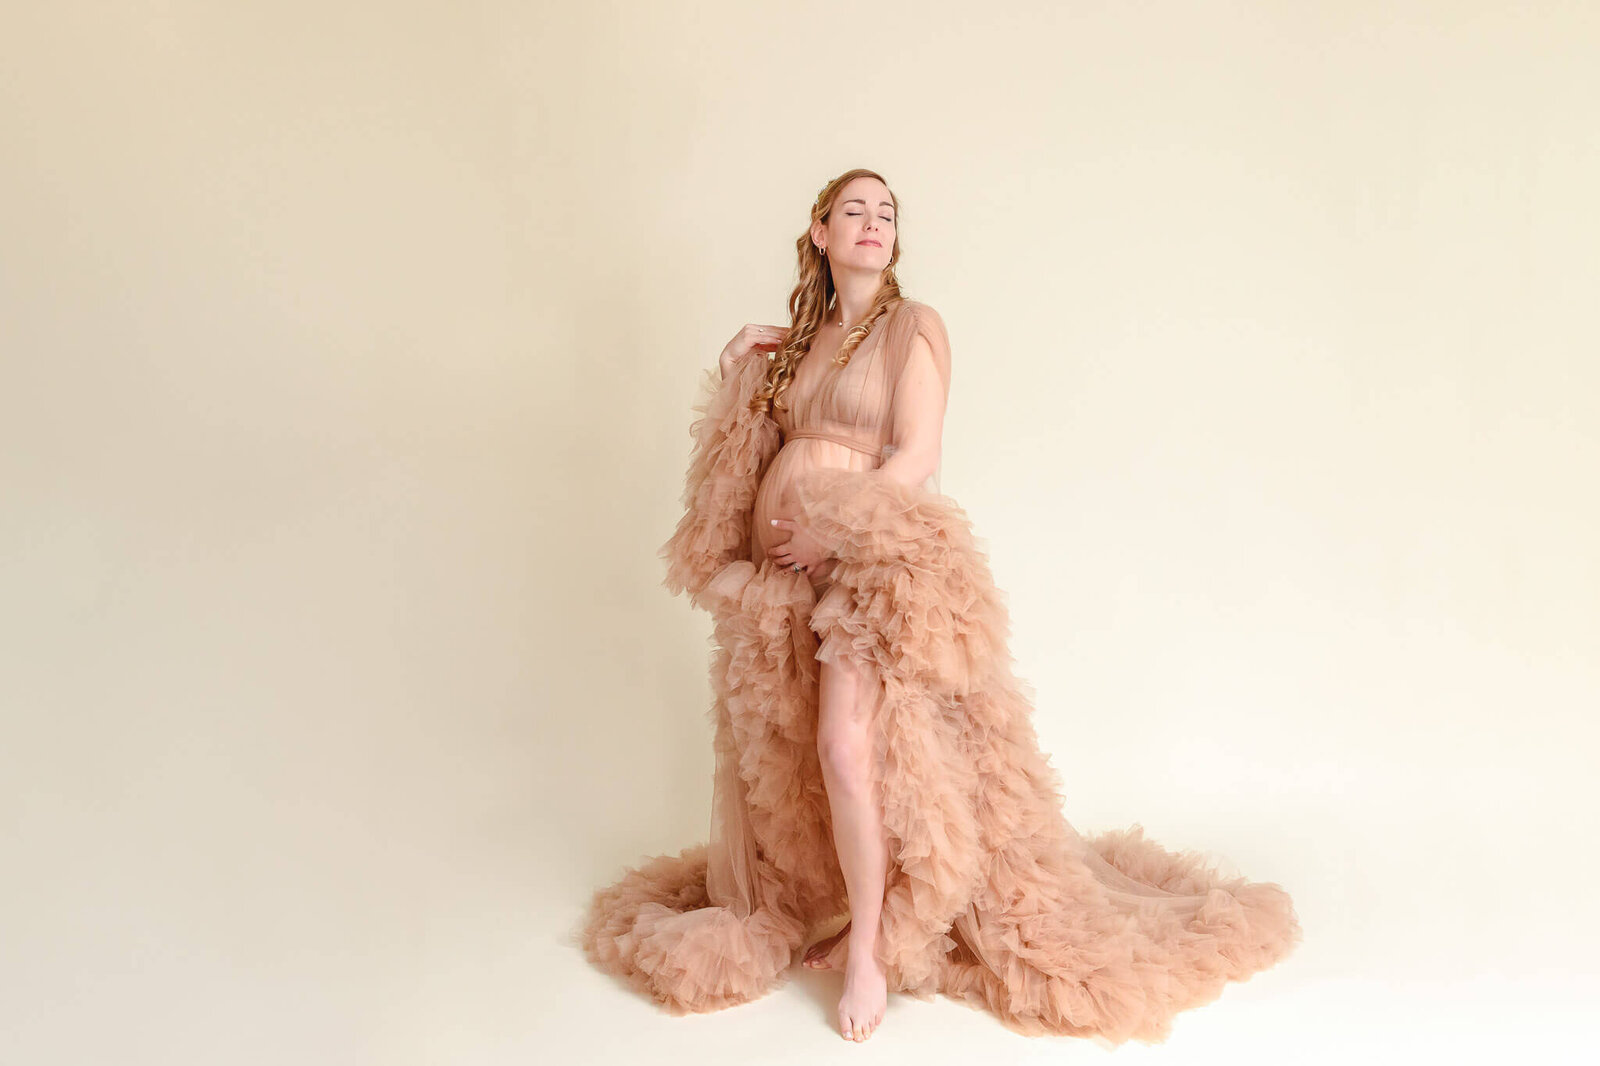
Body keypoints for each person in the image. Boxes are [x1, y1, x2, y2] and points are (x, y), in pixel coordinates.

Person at [580, 169, 1303, 1045]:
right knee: (796, 752)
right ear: (819, 232)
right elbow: (758, 442)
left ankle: (871, 957)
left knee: (848, 750)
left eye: (887, 214)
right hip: (791, 571)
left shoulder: (913, 328)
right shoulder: (807, 344)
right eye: (855, 211)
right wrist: (743, 363)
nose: (875, 224)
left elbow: (916, 454)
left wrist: (832, 532)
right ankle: (852, 906)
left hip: (871, 558)